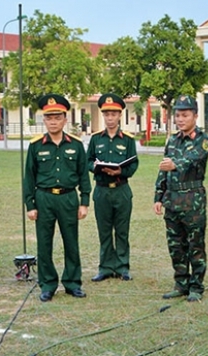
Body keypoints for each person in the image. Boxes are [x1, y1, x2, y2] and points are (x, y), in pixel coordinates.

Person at [24, 94, 91, 302]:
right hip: (44, 198)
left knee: (71, 242)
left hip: (68, 198)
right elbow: (29, 177)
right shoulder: (36, 146)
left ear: (65, 119)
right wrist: (30, 204)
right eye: (49, 117)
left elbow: (83, 174)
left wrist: (84, 202)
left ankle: (72, 283)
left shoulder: (77, 145)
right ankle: (48, 284)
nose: (53, 121)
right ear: (44, 120)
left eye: (57, 117)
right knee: (44, 244)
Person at [153, 95, 208, 302]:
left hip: (192, 200)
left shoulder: (203, 140)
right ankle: (181, 283)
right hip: (172, 199)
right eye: (177, 115)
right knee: (176, 246)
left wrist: (175, 164)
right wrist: (158, 196)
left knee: (195, 245)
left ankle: (196, 286)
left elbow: (193, 158)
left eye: (185, 115)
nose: (180, 119)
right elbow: (163, 169)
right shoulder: (172, 140)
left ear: (195, 116)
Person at [86, 93, 139, 282]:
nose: (110, 118)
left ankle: (123, 266)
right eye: (106, 114)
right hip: (101, 190)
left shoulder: (127, 140)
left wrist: (120, 172)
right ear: (103, 115)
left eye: (113, 114)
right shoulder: (95, 139)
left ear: (119, 115)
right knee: (104, 230)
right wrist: (96, 168)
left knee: (122, 230)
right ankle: (106, 267)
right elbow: (88, 161)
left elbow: (133, 164)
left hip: (121, 190)